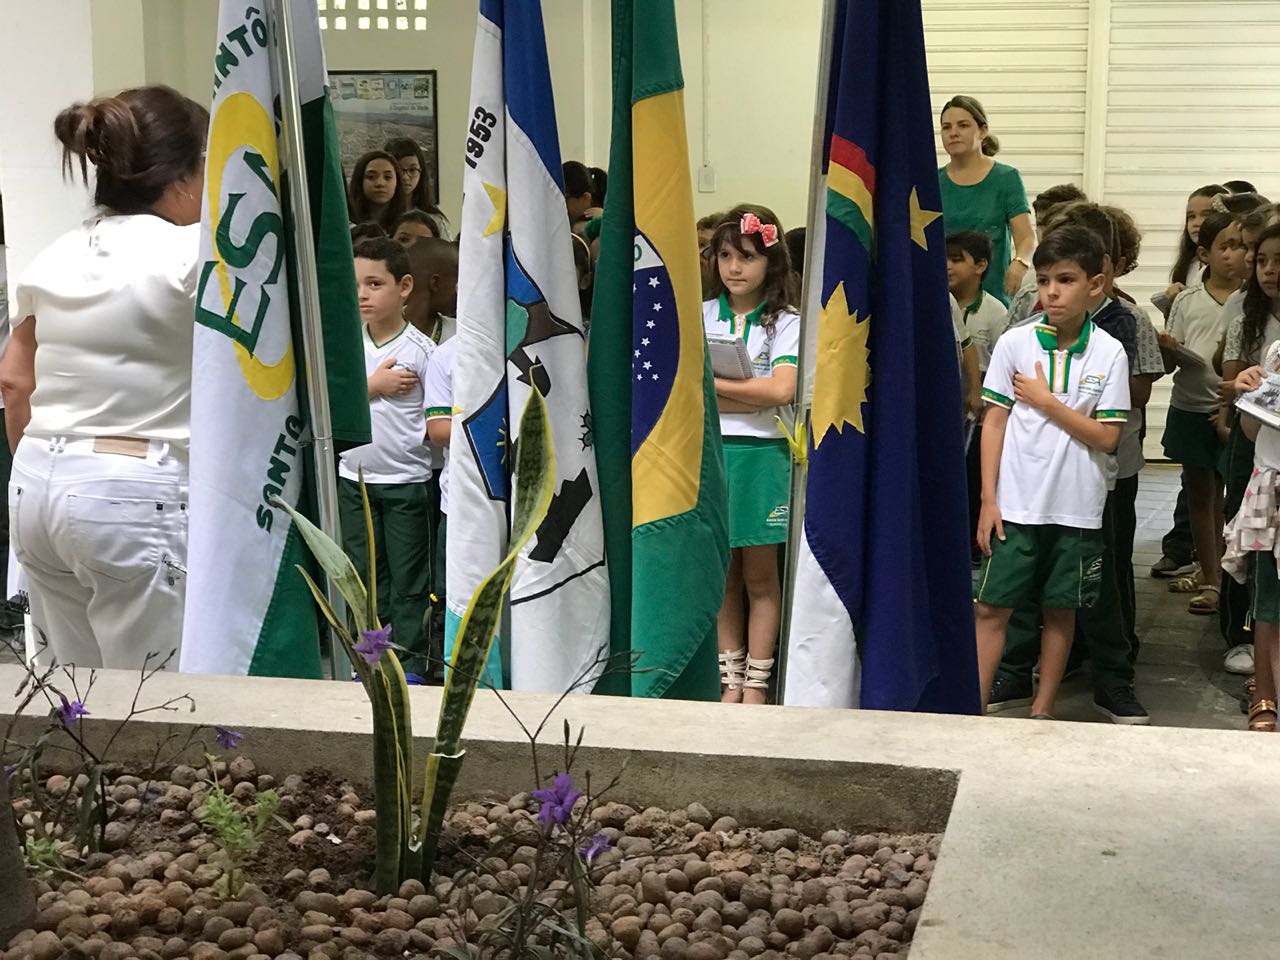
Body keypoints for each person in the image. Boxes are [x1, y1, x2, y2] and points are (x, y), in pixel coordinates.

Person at [0, 86, 207, 668]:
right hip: (130, 487)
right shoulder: (191, 255)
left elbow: (15, 380)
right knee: (153, 696)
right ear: (183, 175)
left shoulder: (56, 253)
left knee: (73, 689)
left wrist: (44, 464)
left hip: (36, 482)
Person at [974, 226, 1130, 718]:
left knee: (1060, 609)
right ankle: (970, 709)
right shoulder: (1015, 343)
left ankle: (1043, 710)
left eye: (1065, 280)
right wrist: (988, 498)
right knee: (990, 606)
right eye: (1044, 281)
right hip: (1015, 505)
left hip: (1076, 507)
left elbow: (1107, 437)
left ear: (1096, 285)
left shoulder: (1109, 352)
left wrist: (1046, 402)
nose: (1052, 292)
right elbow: (994, 422)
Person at [703, 205, 799, 705]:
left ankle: (758, 683)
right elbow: (683, 390)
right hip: (711, 453)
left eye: (747, 257)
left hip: (762, 456)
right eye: (725, 256)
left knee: (761, 576)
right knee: (722, 575)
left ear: (771, 262)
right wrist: (747, 395)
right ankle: (730, 679)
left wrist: (713, 387)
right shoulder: (700, 315)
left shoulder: (786, 322)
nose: (734, 268)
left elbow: (781, 390)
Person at [339, 238, 436, 674]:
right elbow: (325, 404)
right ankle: (368, 658)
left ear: (405, 286)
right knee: (362, 576)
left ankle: (409, 664)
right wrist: (373, 388)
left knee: (409, 580)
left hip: (407, 483)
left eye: (375, 284)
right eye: (356, 284)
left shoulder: (423, 351)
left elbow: (437, 421)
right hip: (353, 480)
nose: (362, 294)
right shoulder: (342, 346)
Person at [1157, 211, 1248, 617]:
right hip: (1191, 407)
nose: (1233, 255)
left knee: (1236, 496)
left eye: (1241, 246)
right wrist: (1167, 348)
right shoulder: (1187, 300)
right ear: (1204, 254)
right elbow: (1168, 364)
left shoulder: (1253, 299)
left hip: (1240, 412)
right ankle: (1211, 578)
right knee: (1199, 494)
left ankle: (1236, 576)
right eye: (1224, 246)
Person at [1224, 243, 1280, 731]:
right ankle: (1264, 693)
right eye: (1263, 260)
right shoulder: (1275, 354)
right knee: (1267, 600)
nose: (1270, 271)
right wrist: (1249, 395)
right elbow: (1251, 432)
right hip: (1271, 487)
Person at [937, 95, 1034, 304]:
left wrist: (1020, 263)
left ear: (982, 131)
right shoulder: (933, 182)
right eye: (946, 127)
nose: (953, 133)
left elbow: (1026, 237)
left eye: (963, 125)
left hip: (993, 298)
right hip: (943, 299)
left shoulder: (1006, 178)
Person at [947, 230, 1009, 554]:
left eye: (957, 259)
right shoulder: (939, 300)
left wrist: (978, 390)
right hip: (950, 404)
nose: (947, 266)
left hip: (982, 410)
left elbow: (1002, 362)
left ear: (980, 266)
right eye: (944, 258)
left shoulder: (996, 312)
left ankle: (975, 539)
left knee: (973, 471)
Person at [1151, 184, 1229, 319]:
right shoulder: (1189, 265)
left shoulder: (1232, 265)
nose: (1196, 223)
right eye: (1191, 216)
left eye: (1206, 215)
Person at [383, 137, 451, 240]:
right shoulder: (378, 215)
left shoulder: (435, 219)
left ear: (421, 172)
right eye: (399, 170)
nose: (405, 177)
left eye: (412, 170)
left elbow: (446, 249)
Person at [404, 238, 459, 342]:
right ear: (435, 283)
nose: (458, 292)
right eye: (456, 281)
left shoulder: (459, 333)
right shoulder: (382, 327)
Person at [347, 150, 408, 235]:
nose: (380, 183)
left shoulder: (407, 227)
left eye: (387, 177)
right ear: (360, 181)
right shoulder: (346, 225)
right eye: (371, 177)